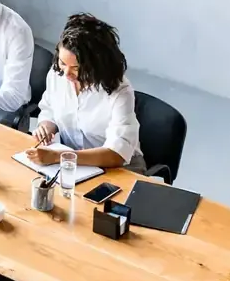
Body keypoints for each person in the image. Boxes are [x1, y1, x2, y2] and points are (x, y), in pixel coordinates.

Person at [24, 13, 145, 173]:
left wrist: (59, 157)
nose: (66, 73)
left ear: (97, 64)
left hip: (120, 170)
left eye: (76, 68)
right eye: (62, 62)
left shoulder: (119, 91)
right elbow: (50, 109)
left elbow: (117, 154)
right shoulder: (57, 74)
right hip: (76, 166)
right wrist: (46, 126)